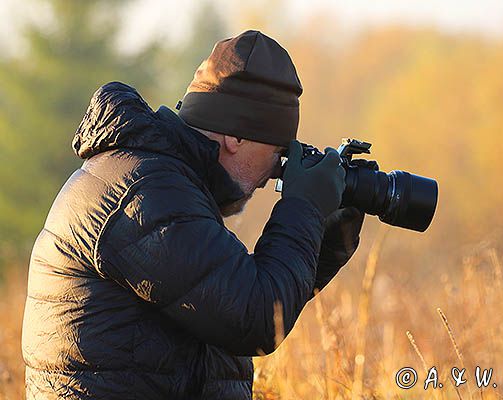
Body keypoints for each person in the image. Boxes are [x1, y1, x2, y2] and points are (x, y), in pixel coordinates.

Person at [21, 30, 364, 399]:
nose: (274, 173)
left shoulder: (160, 182)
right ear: (237, 138)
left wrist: (324, 238)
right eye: (279, 153)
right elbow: (256, 318)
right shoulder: (145, 193)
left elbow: (240, 301)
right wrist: (304, 208)